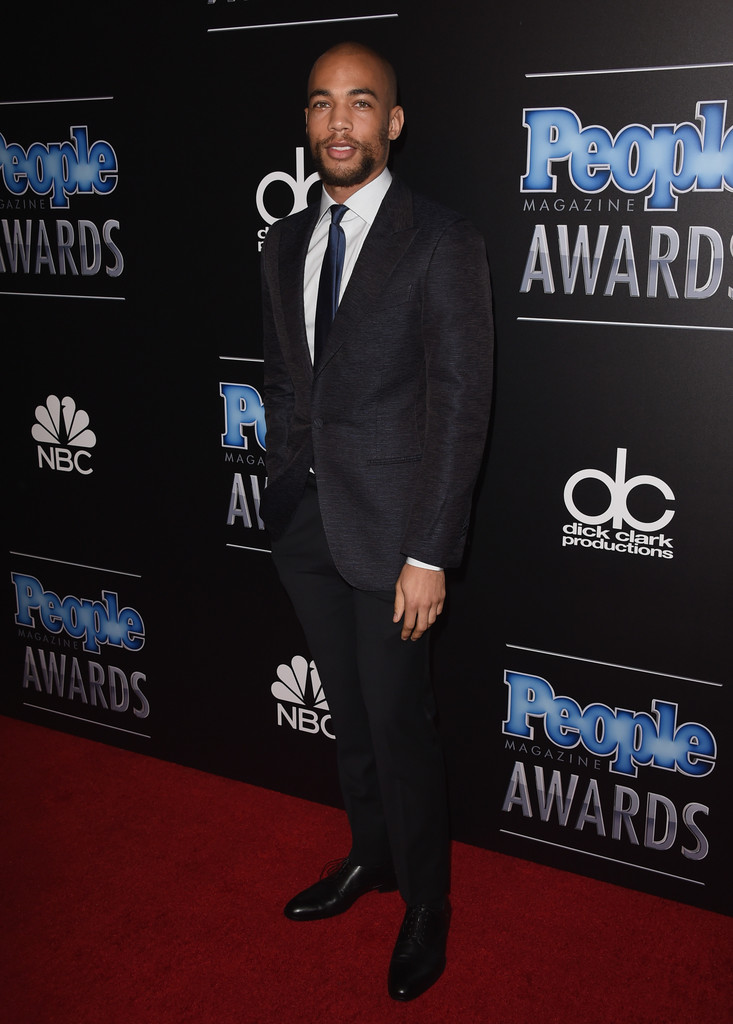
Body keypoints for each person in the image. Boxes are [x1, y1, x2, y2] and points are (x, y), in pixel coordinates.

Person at [260, 41, 493, 1002]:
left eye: (362, 105)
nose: (340, 124)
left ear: (392, 123)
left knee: (399, 723)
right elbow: (287, 379)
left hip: (397, 537)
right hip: (308, 521)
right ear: (308, 123)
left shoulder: (440, 239)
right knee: (349, 716)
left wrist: (428, 551)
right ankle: (371, 857)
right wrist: (285, 474)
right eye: (322, 106)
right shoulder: (283, 241)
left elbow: (460, 405)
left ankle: (426, 904)